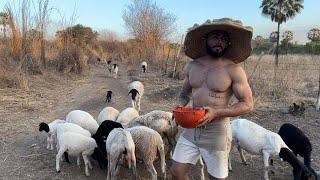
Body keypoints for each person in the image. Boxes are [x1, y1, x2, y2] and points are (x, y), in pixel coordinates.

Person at [171, 18, 254, 180]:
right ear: (206, 39)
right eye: (215, 37)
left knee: (215, 178)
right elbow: (184, 93)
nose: (219, 42)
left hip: (217, 132)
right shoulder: (193, 66)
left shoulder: (234, 70)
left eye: (224, 39)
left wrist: (216, 112)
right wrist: (179, 105)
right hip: (191, 128)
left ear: (228, 44)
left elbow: (248, 104)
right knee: (177, 172)